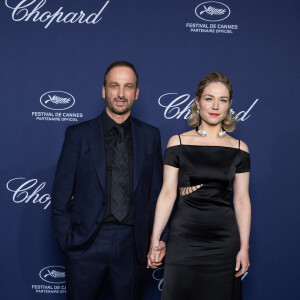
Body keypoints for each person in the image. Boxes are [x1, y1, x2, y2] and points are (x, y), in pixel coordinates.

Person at [51, 61, 167, 300]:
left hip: (132, 247)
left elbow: (157, 196)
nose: (121, 93)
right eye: (114, 86)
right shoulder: (78, 135)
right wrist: (69, 244)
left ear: (136, 93)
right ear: (104, 90)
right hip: (86, 245)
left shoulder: (150, 136)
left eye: (128, 87)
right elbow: (60, 197)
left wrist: (157, 240)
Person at [148, 72, 251, 299]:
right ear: (197, 101)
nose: (215, 106)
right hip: (184, 239)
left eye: (222, 100)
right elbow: (167, 193)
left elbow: (242, 200)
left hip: (224, 241)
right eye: (209, 98)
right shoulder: (178, 142)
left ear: (229, 105)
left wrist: (244, 247)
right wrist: (155, 240)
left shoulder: (240, 149)